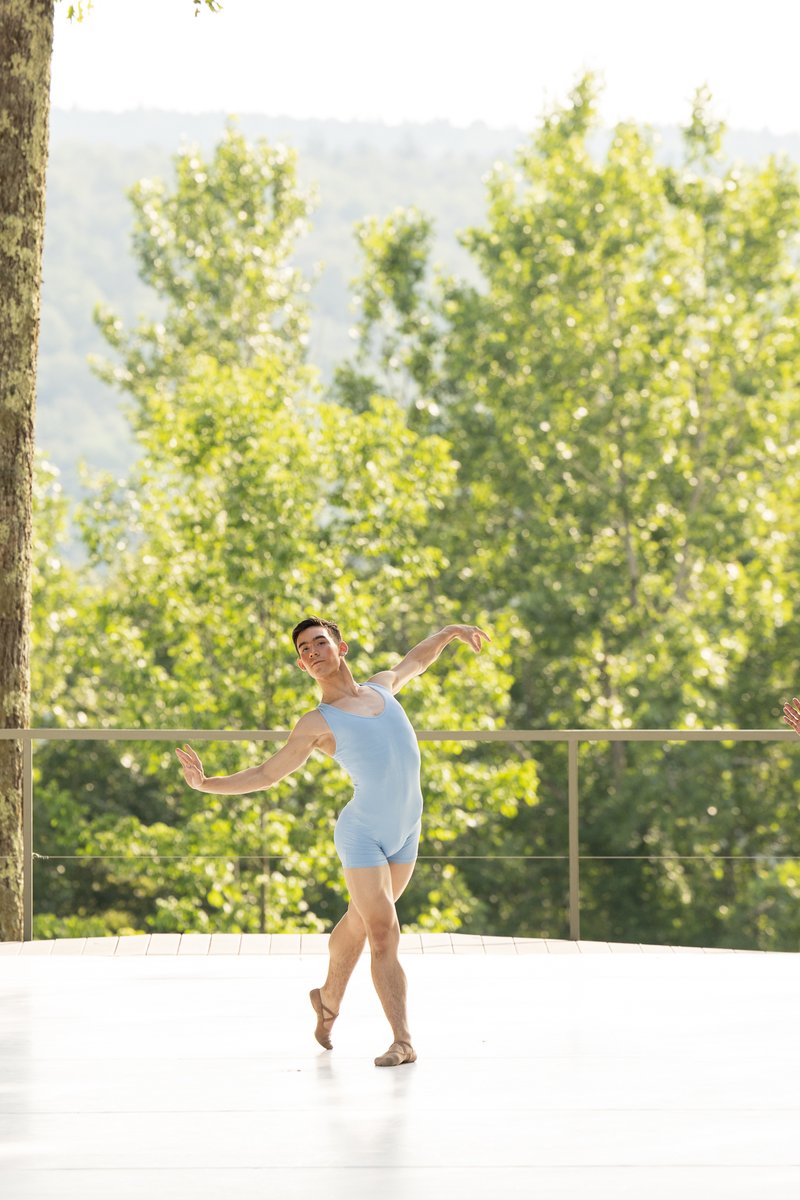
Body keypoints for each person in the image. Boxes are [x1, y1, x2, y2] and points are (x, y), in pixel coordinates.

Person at [176, 617, 490, 1068]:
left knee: (360, 923)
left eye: (319, 642)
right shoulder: (316, 723)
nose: (313, 651)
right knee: (384, 931)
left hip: (406, 832)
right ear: (304, 666)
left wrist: (449, 633)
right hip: (362, 834)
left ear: (341, 647)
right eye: (304, 650)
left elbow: (415, 661)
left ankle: (326, 1000)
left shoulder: (383, 688)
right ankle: (403, 1041)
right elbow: (267, 774)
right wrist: (205, 785)